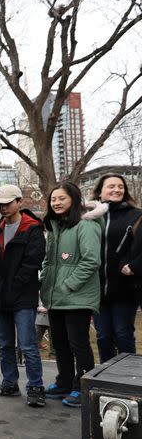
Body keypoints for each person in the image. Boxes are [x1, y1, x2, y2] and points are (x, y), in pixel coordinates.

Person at [0, 185, 47, 407]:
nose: (3, 208)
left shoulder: (33, 229)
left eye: (8, 203)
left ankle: (36, 386)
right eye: (0, 204)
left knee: (28, 344)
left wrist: (14, 285)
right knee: (6, 343)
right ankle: (9, 383)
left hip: (22, 297)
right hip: (1, 298)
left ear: (19, 202)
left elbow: (33, 263)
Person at [40, 181, 103, 408]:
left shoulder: (86, 226)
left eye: (61, 198)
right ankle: (64, 381)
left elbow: (91, 261)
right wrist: (45, 282)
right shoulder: (56, 227)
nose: (56, 203)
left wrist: (69, 285)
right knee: (60, 343)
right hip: (56, 297)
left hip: (77, 296)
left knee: (79, 343)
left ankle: (81, 386)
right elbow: (49, 261)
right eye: (53, 199)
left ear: (74, 200)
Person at [91, 173, 141, 362]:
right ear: (100, 192)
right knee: (103, 337)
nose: (117, 189)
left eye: (120, 186)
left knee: (123, 334)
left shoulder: (136, 215)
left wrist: (133, 265)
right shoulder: (90, 217)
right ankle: (106, 380)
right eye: (111, 186)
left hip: (125, 288)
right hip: (96, 290)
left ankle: (129, 381)